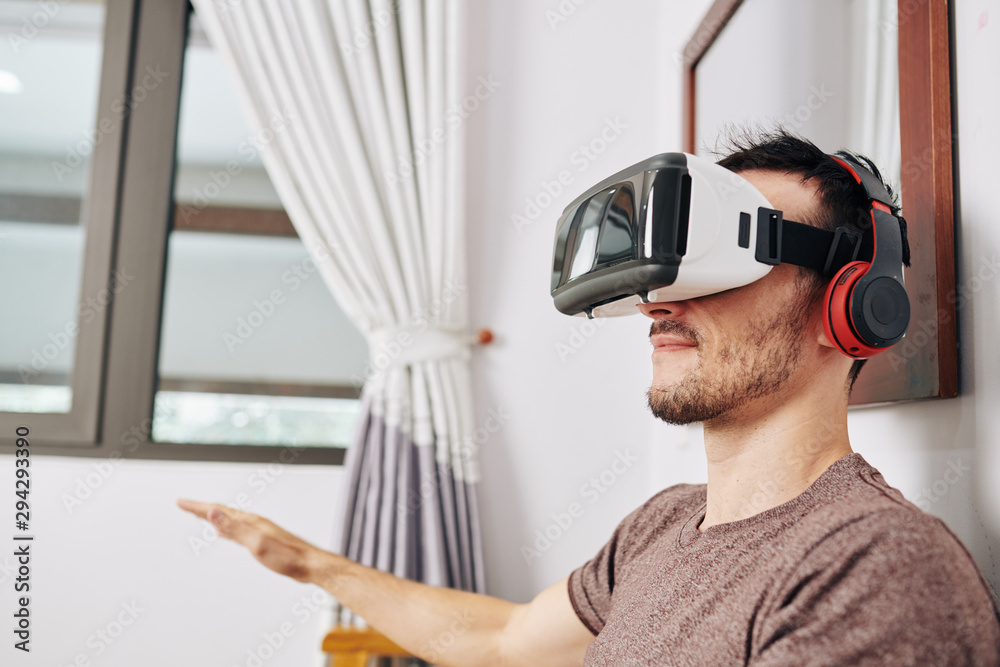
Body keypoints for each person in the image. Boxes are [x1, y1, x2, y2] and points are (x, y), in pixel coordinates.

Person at [178, 130, 1000, 666]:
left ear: (851, 307)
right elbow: (504, 640)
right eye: (666, 268)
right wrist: (311, 562)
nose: (658, 303)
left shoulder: (874, 568)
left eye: (723, 263)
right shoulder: (665, 525)